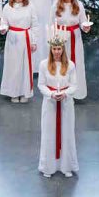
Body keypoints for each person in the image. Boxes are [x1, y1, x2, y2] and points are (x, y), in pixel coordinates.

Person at [38, 31, 79, 178]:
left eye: (59, 49)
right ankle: (48, 167)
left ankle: (66, 166)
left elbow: (74, 85)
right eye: (54, 49)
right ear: (50, 49)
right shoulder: (44, 65)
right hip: (50, 104)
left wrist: (65, 93)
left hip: (66, 104)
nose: (56, 52)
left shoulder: (70, 65)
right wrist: (51, 94)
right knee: (49, 133)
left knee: (66, 133)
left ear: (63, 49)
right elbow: (41, 85)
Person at [50, 0, 90, 100]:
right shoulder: (55, 6)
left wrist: (85, 26)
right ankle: (61, 90)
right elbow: (51, 24)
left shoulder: (79, 5)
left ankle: (76, 92)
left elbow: (82, 21)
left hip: (75, 37)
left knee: (75, 62)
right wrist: (54, 40)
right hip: (61, 38)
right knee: (62, 63)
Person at [0, 0, 39, 103]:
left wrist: (34, 41)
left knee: (25, 66)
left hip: (26, 37)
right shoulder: (7, 7)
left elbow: (35, 24)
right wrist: (3, 29)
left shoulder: (30, 6)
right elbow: (4, 22)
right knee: (13, 66)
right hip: (12, 38)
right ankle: (13, 92)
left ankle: (24, 92)